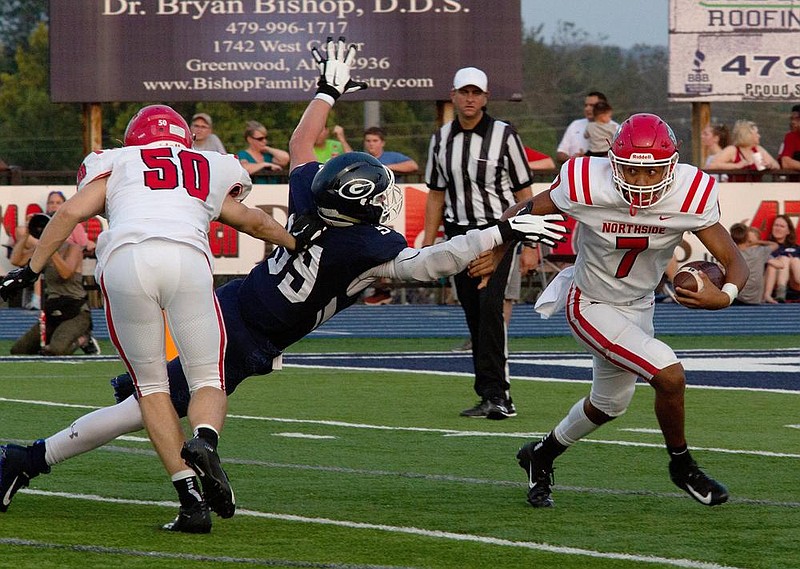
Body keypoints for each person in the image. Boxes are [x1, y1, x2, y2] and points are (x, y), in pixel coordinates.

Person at [0, 39, 566, 532]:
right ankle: (35, 460)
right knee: (148, 404)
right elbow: (437, 261)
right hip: (250, 340)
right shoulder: (370, 248)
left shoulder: (307, 196)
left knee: (147, 397)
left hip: (230, 302)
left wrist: (326, 90)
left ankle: (48, 459)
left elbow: (300, 147)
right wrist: (500, 228)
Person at [0, 104, 301, 533]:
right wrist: (294, 242)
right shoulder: (210, 165)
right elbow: (253, 221)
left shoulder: (117, 162)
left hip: (125, 261)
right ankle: (206, 441)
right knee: (207, 382)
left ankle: (191, 502)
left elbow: (68, 214)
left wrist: (30, 270)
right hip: (187, 261)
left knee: (152, 388)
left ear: (133, 139)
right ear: (184, 138)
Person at [504, 113, 748, 508]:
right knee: (669, 375)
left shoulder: (690, 192)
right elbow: (521, 212)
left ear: (671, 167)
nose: (640, 182)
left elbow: (734, 259)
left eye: (651, 173)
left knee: (609, 404)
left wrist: (727, 294)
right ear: (613, 162)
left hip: (639, 305)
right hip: (589, 302)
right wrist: (497, 246)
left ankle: (541, 454)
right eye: (631, 171)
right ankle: (681, 465)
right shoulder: (586, 182)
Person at [423, 66, 536, 420]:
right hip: (458, 236)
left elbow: (523, 192)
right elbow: (435, 195)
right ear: (453, 95)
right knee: (474, 316)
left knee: (491, 310)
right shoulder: (441, 139)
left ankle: (500, 395)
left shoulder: (504, 135)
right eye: (464, 92)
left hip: (496, 235)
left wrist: (530, 242)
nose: (470, 99)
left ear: (485, 98)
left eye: (476, 93)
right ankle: (488, 393)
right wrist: (428, 244)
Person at [9, 191, 98, 356]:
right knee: (18, 350)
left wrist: (52, 248)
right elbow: (17, 260)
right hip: (52, 309)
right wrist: (28, 232)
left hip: (75, 309)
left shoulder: (73, 248)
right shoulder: (43, 249)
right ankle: (54, 337)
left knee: (56, 350)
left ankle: (84, 339)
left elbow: (66, 273)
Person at [361, 126, 419, 306]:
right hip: (366, 212)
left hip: (392, 211)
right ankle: (380, 288)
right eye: (368, 141)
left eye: (375, 141)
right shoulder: (362, 159)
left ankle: (385, 288)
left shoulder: (391, 157)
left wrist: (384, 168)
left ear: (382, 142)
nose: (371, 144)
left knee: (389, 247)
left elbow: (413, 165)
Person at [706, 120, 780, 180]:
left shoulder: (758, 149)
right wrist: (736, 166)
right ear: (748, 135)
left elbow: (777, 166)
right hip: (735, 190)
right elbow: (713, 165)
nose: (759, 136)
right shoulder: (732, 150)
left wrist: (770, 165)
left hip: (756, 190)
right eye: (756, 133)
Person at [555, 91, 611, 164]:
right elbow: (560, 154)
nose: (587, 109)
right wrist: (575, 160)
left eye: (592, 105)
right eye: (586, 105)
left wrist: (591, 160)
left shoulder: (615, 128)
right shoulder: (575, 125)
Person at [729, 223, 778, 305]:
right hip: (754, 300)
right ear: (748, 238)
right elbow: (775, 245)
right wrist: (755, 242)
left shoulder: (732, 254)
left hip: (735, 297)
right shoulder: (759, 252)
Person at [762, 214, 800, 303]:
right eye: (776, 225)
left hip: (794, 283)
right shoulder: (767, 246)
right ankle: (780, 293)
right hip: (770, 283)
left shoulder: (797, 248)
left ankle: (781, 293)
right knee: (783, 259)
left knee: (795, 260)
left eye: (782, 226)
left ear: (788, 231)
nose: (778, 228)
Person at [777, 104, 800, 172]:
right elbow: (785, 162)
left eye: (797, 119)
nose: (792, 122)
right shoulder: (791, 136)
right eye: (792, 119)